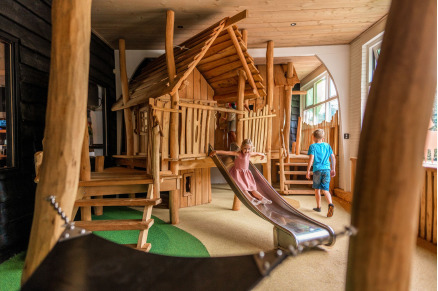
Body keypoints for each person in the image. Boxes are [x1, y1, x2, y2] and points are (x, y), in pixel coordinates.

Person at [210, 139, 272, 205]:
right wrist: (216, 151)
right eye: (245, 148)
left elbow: (256, 153)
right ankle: (251, 199)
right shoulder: (238, 154)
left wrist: (262, 155)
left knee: (252, 188)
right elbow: (227, 152)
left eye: (249, 149)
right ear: (242, 147)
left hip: (246, 174)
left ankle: (262, 198)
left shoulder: (249, 154)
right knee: (243, 188)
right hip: (237, 174)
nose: (247, 150)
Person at [306, 129, 336, 217]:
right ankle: (330, 204)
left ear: (313, 137)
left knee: (317, 189)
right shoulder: (327, 145)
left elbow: (311, 159)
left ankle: (319, 207)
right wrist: (333, 169)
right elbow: (333, 157)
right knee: (326, 190)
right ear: (323, 138)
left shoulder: (313, 146)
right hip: (327, 170)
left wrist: (308, 170)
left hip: (317, 170)